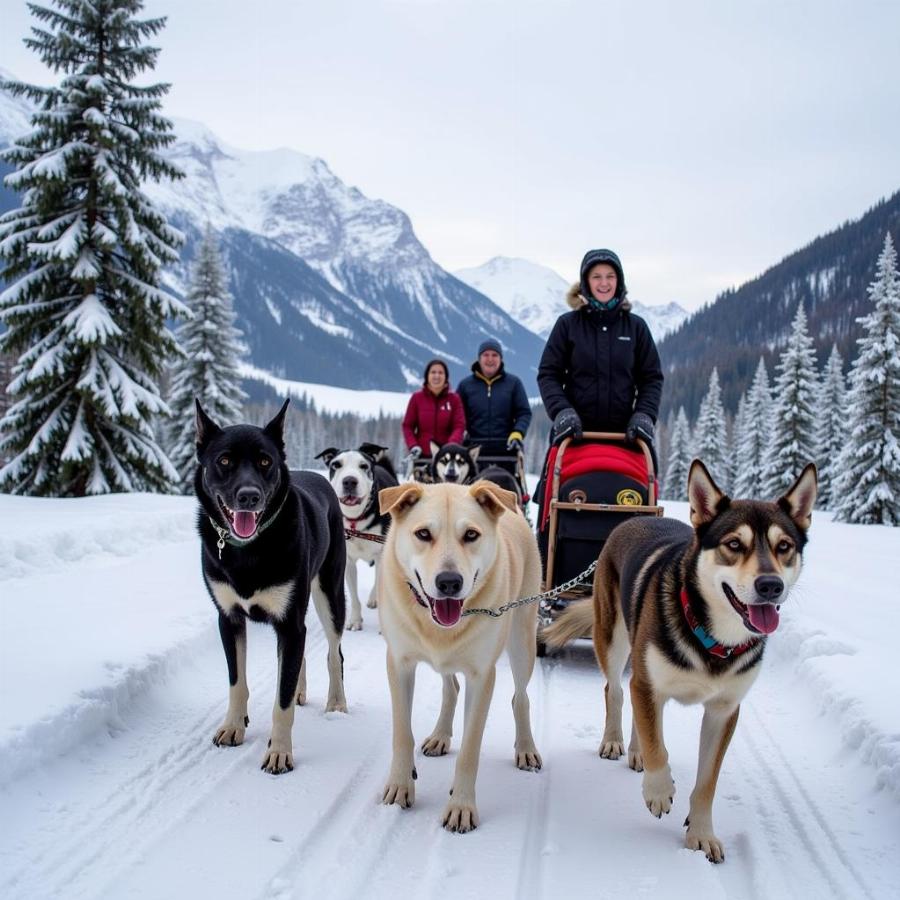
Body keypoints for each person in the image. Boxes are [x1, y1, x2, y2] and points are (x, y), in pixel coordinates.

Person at [535, 249, 663, 544]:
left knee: (641, 495)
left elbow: (651, 378)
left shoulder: (636, 328)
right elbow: (548, 374)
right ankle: (549, 564)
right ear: (585, 283)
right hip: (573, 433)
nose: (604, 283)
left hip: (626, 435)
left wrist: (644, 414)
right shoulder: (568, 325)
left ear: (619, 282)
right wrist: (562, 412)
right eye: (596, 277)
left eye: (610, 276)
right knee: (553, 496)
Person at [456, 338, 532, 477]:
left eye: (494, 355)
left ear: (501, 359)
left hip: (506, 450)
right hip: (473, 450)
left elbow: (524, 412)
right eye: (486, 355)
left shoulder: (514, 383)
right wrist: (462, 433)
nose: (490, 359)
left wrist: (518, 432)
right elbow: (457, 416)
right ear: (479, 359)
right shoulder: (465, 385)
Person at [402, 359, 466, 469]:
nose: (437, 376)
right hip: (422, 457)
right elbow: (407, 426)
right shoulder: (417, 398)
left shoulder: (454, 399)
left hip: (446, 459)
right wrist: (413, 445)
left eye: (441, 373)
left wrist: (450, 446)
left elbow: (459, 426)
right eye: (433, 372)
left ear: (446, 377)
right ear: (427, 376)